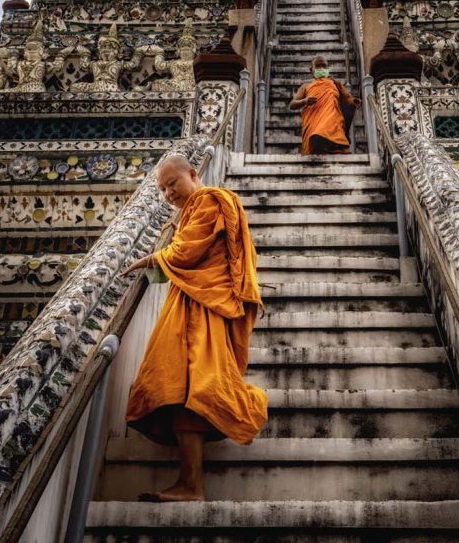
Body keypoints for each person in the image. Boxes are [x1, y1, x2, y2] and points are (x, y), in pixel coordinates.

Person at [121, 154, 267, 502]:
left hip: (205, 309)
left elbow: (188, 252)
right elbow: (190, 247)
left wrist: (154, 257)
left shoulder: (209, 198)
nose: (169, 193)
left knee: (193, 387)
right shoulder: (191, 210)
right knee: (182, 387)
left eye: (173, 183)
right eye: (162, 189)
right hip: (194, 305)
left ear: (193, 173)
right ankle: (189, 483)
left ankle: (191, 485)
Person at [289, 55, 362, 155]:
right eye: (318, 66)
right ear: (312, 70)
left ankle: (332, 144)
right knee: (317, 135)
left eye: (324, 66)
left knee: (323, 131)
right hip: (313, 120)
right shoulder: (306, 86)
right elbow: (292, 104)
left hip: (332, 117)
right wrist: (304, 101)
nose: (321, 69)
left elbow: (347, 97)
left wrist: (354, 101)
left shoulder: (335, 84)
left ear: (328, 68)